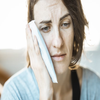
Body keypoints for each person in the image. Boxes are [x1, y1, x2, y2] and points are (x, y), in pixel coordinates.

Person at [1, 0, 100, 100]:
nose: (58, 43)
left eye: (65, 24)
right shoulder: (14, 93)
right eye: (45, 28)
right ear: (32, 35)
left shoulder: (94, 87)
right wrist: (45, 93)